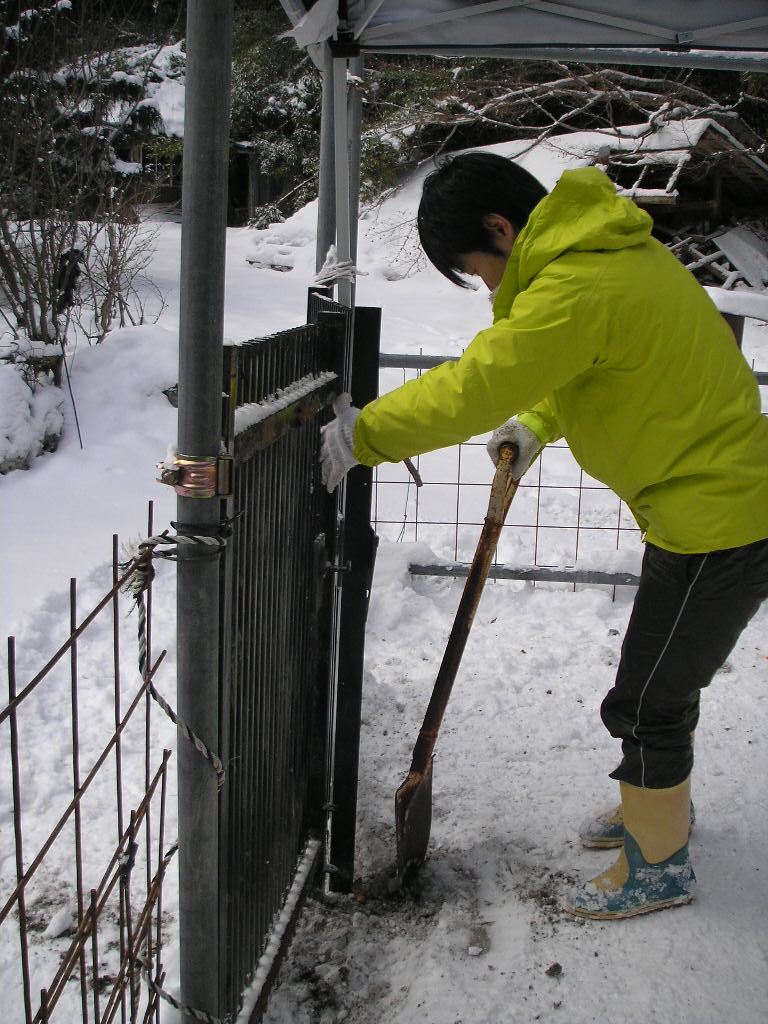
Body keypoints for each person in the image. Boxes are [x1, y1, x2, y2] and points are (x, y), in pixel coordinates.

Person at [319, 151, 768, 919]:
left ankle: (660, 865)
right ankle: (653, 807)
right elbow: (596, 370)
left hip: (719, 526)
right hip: (701, 513)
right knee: (648, 687)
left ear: (501, 228)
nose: (488, 288)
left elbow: (477, 383)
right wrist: (533, 426)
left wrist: (365, 436)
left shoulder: (578, 283)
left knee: (651, 701)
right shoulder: (615, 255)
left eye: (478, 269)